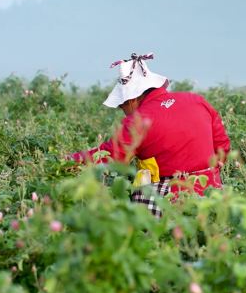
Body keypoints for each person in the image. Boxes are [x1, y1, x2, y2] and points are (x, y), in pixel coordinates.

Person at [71, 53, 231, 202]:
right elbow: (222, 147)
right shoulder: (196, 100)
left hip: (172, 197)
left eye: (122, 107)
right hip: (212, 192)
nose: (124, 112)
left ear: (131, 100)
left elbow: (111, 156)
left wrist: (68, 161)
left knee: (139, 219)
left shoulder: (138, 121)